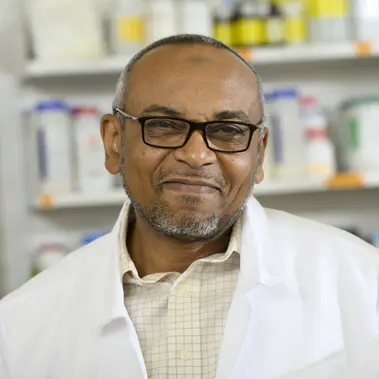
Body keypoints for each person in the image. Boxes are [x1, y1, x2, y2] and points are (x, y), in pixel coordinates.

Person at [0, 34, 378, 379]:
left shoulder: (363, 282)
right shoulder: (20, 326)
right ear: (114, 142)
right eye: (164, 125)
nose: (197, 155)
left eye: (228, 131)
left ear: (259, 153)